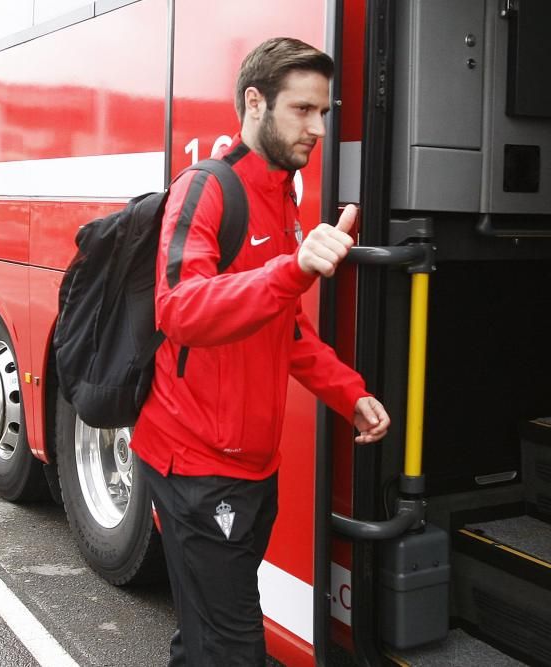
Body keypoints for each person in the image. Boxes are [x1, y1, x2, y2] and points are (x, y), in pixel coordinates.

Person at [130, 37, 390, 666]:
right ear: (255, 102)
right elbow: (180, 311)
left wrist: (348, 394)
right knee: (236, 649)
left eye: (323, 113)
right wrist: (291, 269)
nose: (318, 128)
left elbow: (286, 330)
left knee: (206, 633)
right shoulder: (208, 189)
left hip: (251, 466)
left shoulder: (285, 195)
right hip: (195, 466)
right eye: (303, 110)